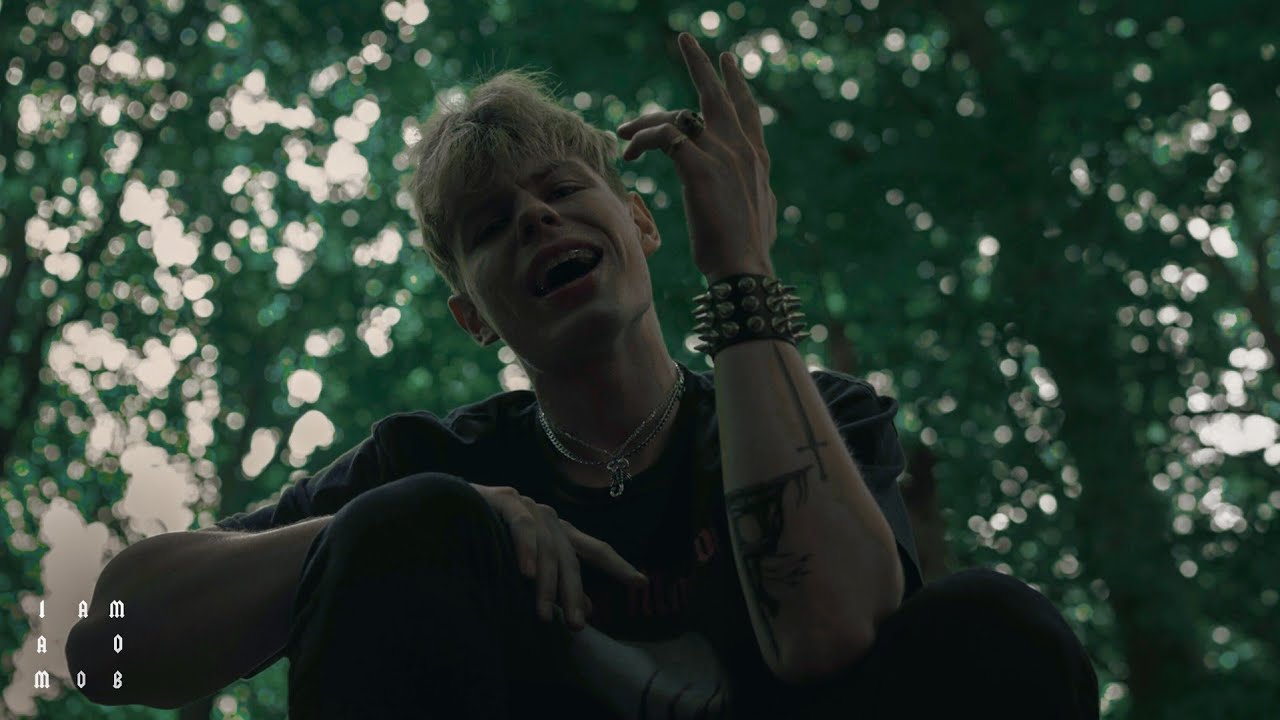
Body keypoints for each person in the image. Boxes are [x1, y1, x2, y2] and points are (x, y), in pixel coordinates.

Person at [202, 32, 1098, 719]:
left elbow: (826, 636)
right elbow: (125, 637)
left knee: (999, 627)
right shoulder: (425, 469)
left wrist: (741, 270)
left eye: (562, 190)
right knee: (405, 518)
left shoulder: (822, 419)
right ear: (472, 316)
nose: (534, 218)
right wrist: (421, 522)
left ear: (641, 222)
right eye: (490, 226)